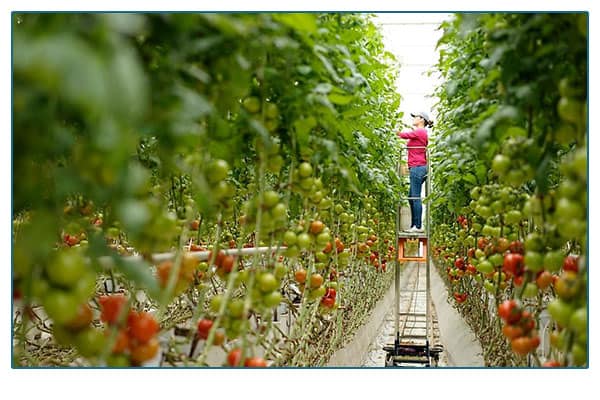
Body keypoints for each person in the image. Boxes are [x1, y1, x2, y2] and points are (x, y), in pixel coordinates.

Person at [397, 111, 433, 233]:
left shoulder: (420, 131)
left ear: (422, 120)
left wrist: (395, 131)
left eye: (416, 117)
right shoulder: (420, 132)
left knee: (415, 197)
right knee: (411, 197)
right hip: (417, 167)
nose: (414, 119)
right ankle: (414, 225)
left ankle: (418, 226)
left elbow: (403, 135)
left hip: (418, 167)